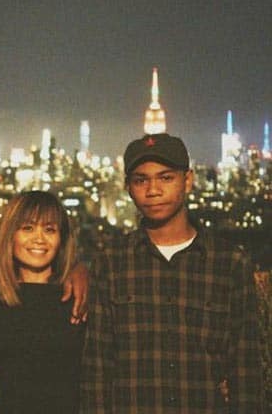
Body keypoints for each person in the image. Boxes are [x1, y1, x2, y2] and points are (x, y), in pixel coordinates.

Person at [81, 133, 262, 413]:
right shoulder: (111, 263)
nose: (153, 190)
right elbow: (98, 369)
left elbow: (246, 369)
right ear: (128, 187)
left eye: (166, 178)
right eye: (141, 180)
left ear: (188, 180)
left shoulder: (229, 263)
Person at [0, 191, 85, 413]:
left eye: (49, 229)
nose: (39, 238)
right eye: (27, 228)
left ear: (62, 239)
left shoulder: (78, 296)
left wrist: (80, 269)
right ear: (10, 234)